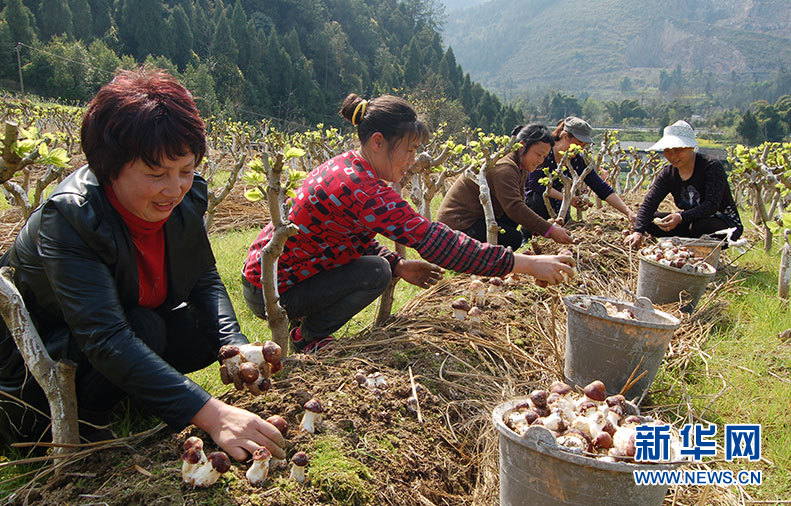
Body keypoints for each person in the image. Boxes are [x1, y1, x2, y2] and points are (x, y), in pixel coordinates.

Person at [0, 69, 285, 462]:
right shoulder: (71, 219)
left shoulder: (185, 197)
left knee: (202, 332)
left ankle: (132, 396)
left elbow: (203, 277)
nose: (175, 189)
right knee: (143, 328)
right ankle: (87, 426)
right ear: (109, 168)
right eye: (156, 174)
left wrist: (233, 345)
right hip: (37, 374)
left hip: (121, 333)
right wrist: (212, 413)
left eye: (185, 170)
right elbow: (106, 337)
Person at [242, 94, 575, 352]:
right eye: (410, 150)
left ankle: (307, 333)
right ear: (377, 142)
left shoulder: (348, 166)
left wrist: (397, 264)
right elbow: (434, 239)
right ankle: (307, 337)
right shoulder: (362, 188)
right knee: (375, 272)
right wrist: (525, 264)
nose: (413, 160)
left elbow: (346, 237)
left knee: (380, 268)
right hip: (272, 289)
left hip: (274, 276)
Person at [436, 124, 575, 250]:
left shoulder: (519, 166)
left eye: (544, 156)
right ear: (521, 146)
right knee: (513, 238)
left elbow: (518, 205)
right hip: (457, 227)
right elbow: (514, 208)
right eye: (538, 154)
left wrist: (543, 226)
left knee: (512, 224)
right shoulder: (505, 168)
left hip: (476, 220)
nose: (540, 161)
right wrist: (550, 230)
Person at [624, 120, 743, 248]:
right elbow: (650, 202)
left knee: (700, 226)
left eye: (678, 150)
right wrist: (638, 232)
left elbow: (711, 205)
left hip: (724, 224)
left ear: (691, 147)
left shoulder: (711, 167)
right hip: (691, 221)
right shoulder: (669, 174)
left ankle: (696, 249)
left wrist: (680, 217)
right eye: (668, 151)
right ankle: (683, 248)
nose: (673, 156)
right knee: (651, 221)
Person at [525, 116, 636, 226]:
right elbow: (535, 184)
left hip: (560, 205)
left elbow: (601, 188)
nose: (580, 148)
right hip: (532, 204)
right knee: (538, 200)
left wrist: (628, 212)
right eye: (578, 143)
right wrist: (570, 199)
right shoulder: (544, 152)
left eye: (583, 145)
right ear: (564, 136)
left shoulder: (577, 160)